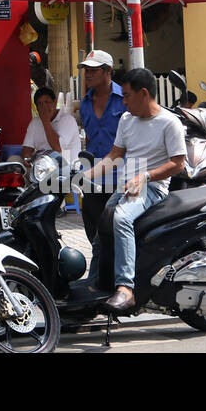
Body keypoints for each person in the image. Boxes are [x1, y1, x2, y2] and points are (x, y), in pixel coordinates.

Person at [81, 67, 186, 312]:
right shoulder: (127, 120)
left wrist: (145, 176)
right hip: (125, 187)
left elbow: (178, 163)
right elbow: (115, 155)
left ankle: (126, 289)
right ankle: (92, 285)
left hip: (152, 189)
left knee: (121, 219)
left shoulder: (169, 122)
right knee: (101, 231)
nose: (123, 101)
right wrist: (83, 176)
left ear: (144, 93)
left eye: (127, 95)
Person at [73, 49, 125, 245]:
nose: (88, 74)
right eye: (86, 69)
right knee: (94, 234)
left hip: (121, 178)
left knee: (118, 233)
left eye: (93, 70)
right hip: (93, 178)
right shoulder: (85, 104)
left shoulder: (125, 99)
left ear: (108, 71)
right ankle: (99, 274)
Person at [23, 87, 82, 163]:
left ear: (55, 102)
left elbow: (58, 148)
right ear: (37, 108)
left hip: (67, 168)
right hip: (42, 168)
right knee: (14, 160)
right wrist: (27, 159)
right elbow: (27, 148)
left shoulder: (68, 120)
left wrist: (45, 121)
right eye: (40, 104)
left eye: (47, 102)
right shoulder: (35, 123)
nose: (44, 107)